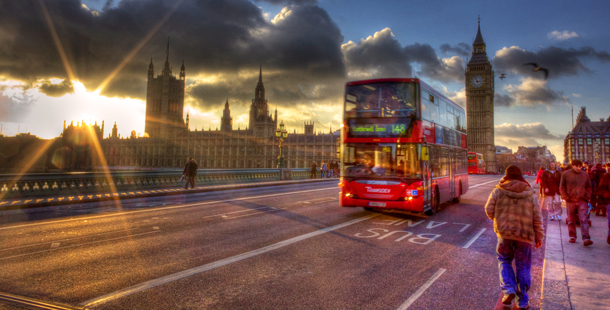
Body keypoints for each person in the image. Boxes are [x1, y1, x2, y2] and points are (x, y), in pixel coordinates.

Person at [485, 165, 544, 310]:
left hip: (504, 233)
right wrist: (539, 237)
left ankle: (509, 290)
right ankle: (522, 301)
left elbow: (488, 209)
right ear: (521, 176)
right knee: (523, 266)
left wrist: (498, 221)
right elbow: (537, 218)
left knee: (504, 260)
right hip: (524, 235)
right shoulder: (530, 193)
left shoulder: (498, 190)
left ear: (506, 175)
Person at [560, 159, 593, 246]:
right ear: (572, 165)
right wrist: (566, 197)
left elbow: (589, 187)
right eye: (576, 166)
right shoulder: (565, 174)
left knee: (584, 219)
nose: (578, 168)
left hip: (582, 200)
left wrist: (587, 196)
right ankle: (572, 236)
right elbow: (562, 187)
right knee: (571, 220)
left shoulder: (585, 175)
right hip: (570, 200)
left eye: (580, 166)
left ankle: (586, 238)